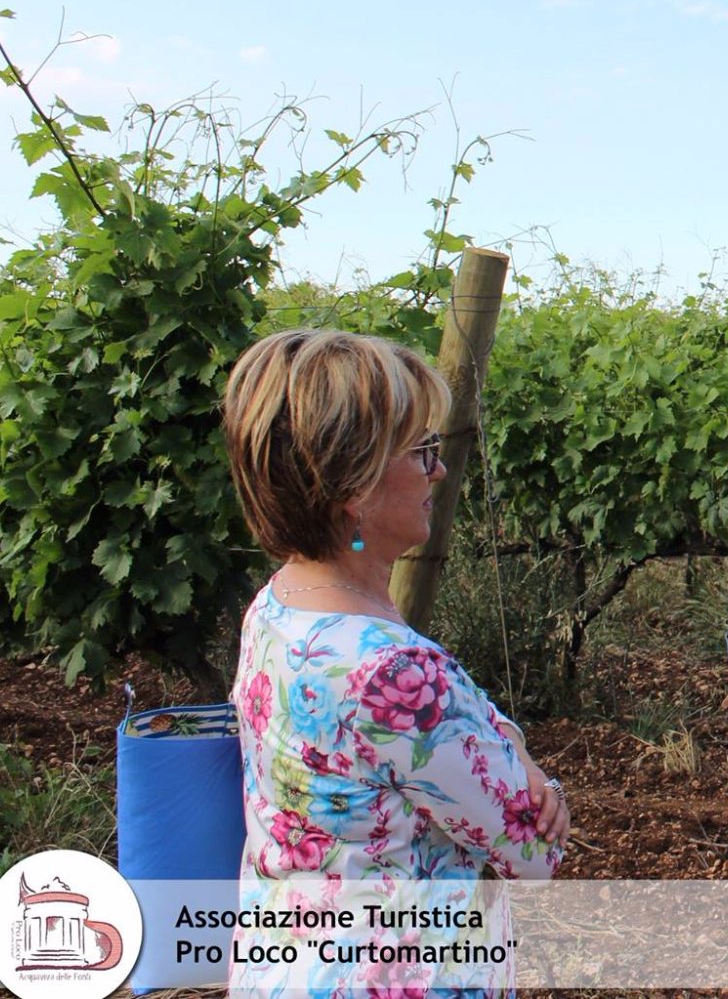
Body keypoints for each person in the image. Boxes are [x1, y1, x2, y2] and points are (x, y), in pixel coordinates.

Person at [223, 329, 566, 997]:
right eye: (422, 449)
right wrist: (529, 768)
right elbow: (532, 849)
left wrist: (494, 733)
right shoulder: (396, 671)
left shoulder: (277, 605)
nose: (438, 468)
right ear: (354, 486)